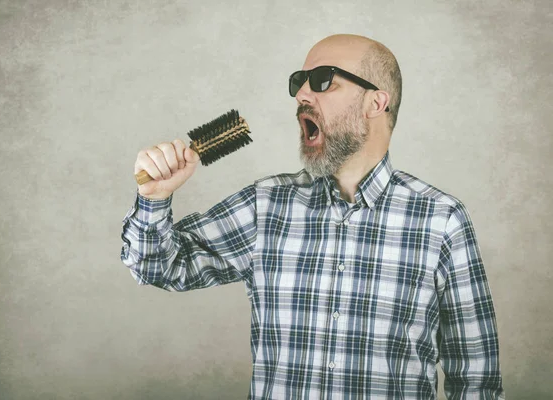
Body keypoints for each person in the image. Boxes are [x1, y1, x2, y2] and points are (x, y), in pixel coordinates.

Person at [120, 34, 505, 399]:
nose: (302, 93)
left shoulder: (441, 220)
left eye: (323, 80)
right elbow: (158, 266)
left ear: (375, 103)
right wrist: (154, 199)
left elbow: (476, 380)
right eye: (299, 81)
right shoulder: (266, 205)